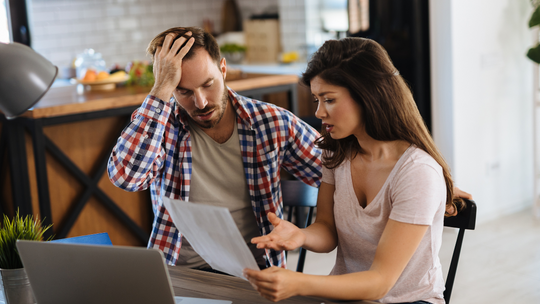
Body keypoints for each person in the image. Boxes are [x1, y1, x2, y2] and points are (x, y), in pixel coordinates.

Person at [244, 37, 467, 304]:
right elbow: (327, 229)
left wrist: (300, 283)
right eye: (316, 99)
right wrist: (300, 235)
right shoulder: (336, 152)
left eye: (329, 99)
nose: (319, 112)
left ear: (367, 95)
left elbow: (379, 283)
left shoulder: (417, 173)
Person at [106, 27, 322, 270]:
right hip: (180, 274)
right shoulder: (161, 127)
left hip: (254, 273)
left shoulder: (271, 122)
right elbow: (126, 177)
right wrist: (160, 91)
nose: (201, 102)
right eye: (183, 91)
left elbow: (339, 174)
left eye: (208, 84)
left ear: (223, 68)